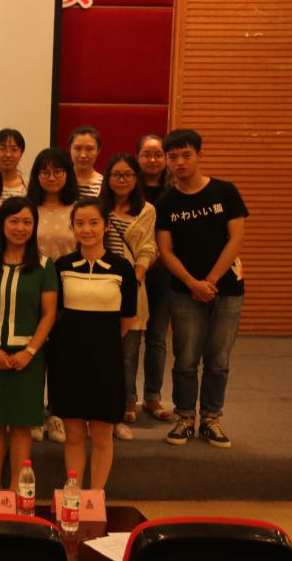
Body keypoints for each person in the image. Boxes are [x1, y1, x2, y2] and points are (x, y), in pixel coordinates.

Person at [156, 129, 248, 449]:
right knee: (185, 358)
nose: (179, 162)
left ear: (199, 155)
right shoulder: (166, 202)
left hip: (228, 289)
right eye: (172, 157)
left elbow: (236, 239)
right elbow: (165, 251)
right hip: (184, 292)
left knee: (218, 359)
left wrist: (210, 280)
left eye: (186, 155)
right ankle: (184, 418)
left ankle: (211, 419)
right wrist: (193, 284)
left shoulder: (225, 191)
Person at [49, 199, 137, 490]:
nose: (86, 229)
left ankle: (95, 496)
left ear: (107, 226)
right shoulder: (62, 266)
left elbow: (127, 319)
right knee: (74, 435)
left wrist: (102, 343)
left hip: (107, 361)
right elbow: (55, 313)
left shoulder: (122, 268)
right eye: (80, 223)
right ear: (72, 227)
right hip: (69, 360)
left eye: (93, 223)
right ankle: (73, 492)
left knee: (102, 435)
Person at [0, 197, 57, 490]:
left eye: (27, 222)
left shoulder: (44, 266)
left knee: (22, 427)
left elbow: (49, 314)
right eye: (14, 221)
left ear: (34, 226)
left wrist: (30, 351)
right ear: (2, 224)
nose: (20, 228)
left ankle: (15, 490)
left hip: (28, 358)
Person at [99, 153, 159, 441]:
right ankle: (98, 404)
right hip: (96, 288)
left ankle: (126, 401)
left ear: (136, 179)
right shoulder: (97, 207)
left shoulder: (146, 210)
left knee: (127, 352)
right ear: (107, 178)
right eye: (116, 175)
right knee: (99, 352)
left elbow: (148, 247)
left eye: (128, 175)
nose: (121, 180)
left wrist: (135, 278)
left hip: (131, 286)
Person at [26, 147, 79, 443]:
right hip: (33, 288)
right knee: (33, 352)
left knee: (62, 356)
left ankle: (57, 414)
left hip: (71, 290)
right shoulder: (28, 208)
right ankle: (32, 412)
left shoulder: (78, 208)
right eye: (44, 172)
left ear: (67, 174)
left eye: (58, 171)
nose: (52, 177)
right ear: (36, 176)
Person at [135, 134, 173, 422]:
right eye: (146, 154)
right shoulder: (128, 189)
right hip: (134, 272)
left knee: (157, 338)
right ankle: (127, 398)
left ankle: (152, 397)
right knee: (129, 340)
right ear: (138, 157)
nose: (152, 160)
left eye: (158, 154)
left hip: (164, 273)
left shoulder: (175, 190)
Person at [70, 125, 104, 199]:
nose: (83, 155)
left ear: (98, 151)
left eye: (89, 149)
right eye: (77, 149)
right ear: (70, 149)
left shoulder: (104, 184)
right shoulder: (60, 181)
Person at [0, 128, 27, 198]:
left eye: (14, 149)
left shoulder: (29, 185)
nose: (8, 154)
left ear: (21, 153)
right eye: (2, 149)